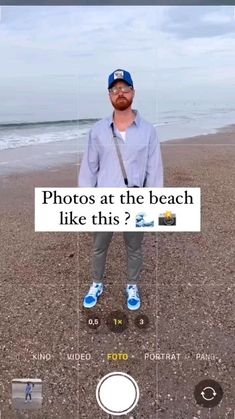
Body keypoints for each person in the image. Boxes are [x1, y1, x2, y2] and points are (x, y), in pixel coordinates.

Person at [79, 69, 163, 310]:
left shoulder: (148, 130)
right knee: (99, 246)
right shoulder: (97, 130)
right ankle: (97, 283)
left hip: (136, 200)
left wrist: (155, 203)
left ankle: (132, 285)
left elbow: (154, 170)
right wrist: (85, 202)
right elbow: (88, 169)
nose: (120, 93)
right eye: (115, 89)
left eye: (125, 88)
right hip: (104, 200)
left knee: (134, 247)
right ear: (109, 95)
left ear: (133, 92)